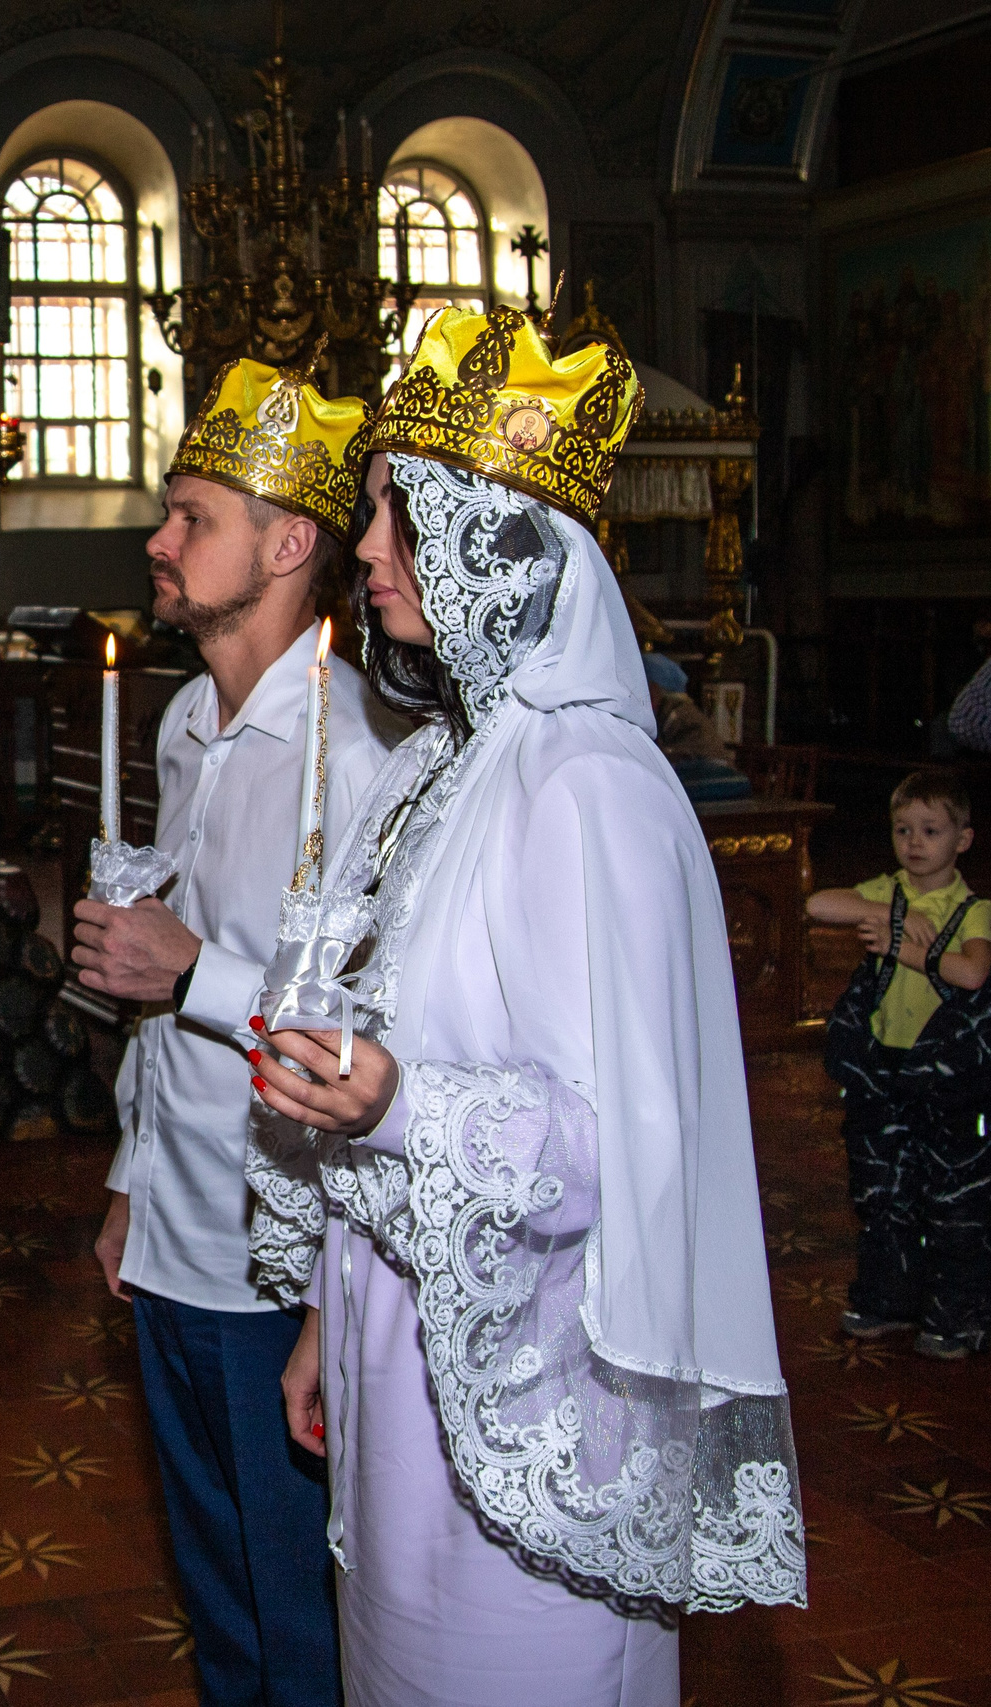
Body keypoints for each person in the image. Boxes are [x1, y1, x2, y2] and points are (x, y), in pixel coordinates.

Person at [246, 305, 806, 1705]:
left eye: (395, 511)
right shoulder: (442, 764)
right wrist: (328, 1306)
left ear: (494, 542)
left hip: (540, 1383)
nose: (366, 546)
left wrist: (391, 1100)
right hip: (400, 1359)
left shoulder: (592, 791)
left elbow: (615, 1143)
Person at [67, 357, 403, 1707]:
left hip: (291, 1251)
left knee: (302, 1594)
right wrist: (123, 1181)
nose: (159, 538)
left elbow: (379, 1025)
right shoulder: (184, 722)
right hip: (176, 1221)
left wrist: (192, 968)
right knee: (215, 1586)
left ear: (288, 542)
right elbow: (160, 996)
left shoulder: (364, 746)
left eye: (192, 514)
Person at [808, 768, 991, 1359]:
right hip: (883, 1070)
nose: (915, 843)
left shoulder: (974, 909)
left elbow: (972, 972)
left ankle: (956, 1313)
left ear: (962, 839)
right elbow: (818, 902)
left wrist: (906, 948)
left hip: (950, 1078)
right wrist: (890, 910)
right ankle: (888, 1299)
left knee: (954, 1198)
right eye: (903, 829)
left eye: (931, 831)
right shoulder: (891, 890)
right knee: (883, 1189)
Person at [641, 650, 750, 802]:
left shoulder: (676, 711)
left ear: (654, 688)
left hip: (709, 772)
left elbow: (678, 754)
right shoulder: (670, 710)